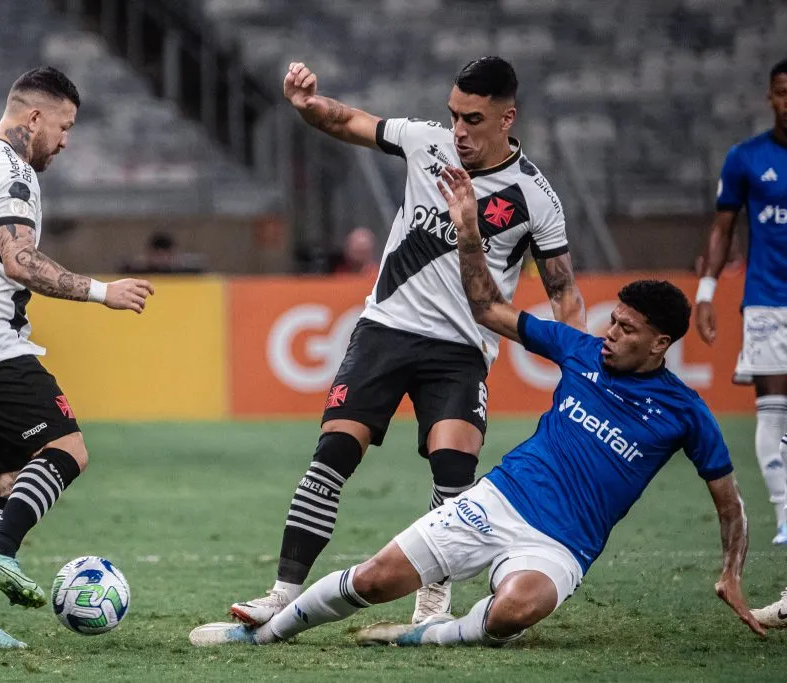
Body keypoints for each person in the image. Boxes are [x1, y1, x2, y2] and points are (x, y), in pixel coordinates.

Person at [189, 165, 765, 648]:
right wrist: (469, 230)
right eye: (612, 319)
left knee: (515, 612)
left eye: (627, 328)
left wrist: (731, 573)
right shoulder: (579, 349)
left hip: (563, 544)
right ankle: (263, 635)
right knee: (372, 577)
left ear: (660, 344)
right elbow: (488, 309)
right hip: (498, 501)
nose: (609, 332)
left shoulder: (686, 412)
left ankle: (423, 636)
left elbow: (730, 503)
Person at [227, 56, 585, 628]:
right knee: (333, 455)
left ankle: (432, 602)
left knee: (453, 471)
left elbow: (565, 292)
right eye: (453, 115)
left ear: (506, 117)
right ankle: (280, 593)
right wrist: (305, 104)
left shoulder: (534, 197)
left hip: (461, 352)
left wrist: (580, 365)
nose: (459, 131)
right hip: (385, 332)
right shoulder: (427, 143)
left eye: (472, 119)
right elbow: (347, 121)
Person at [0, 67, 154, 649]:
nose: (66, 141)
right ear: (34, 118)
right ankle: (1, 558)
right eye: (64, 127)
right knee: (68, 450)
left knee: (7, 483)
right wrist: (101, 292)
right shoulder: (10, 171)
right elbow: (21, 262)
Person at [695, 58, 787, 544]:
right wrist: (706, 292)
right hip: (768, 301)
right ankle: (784, 516)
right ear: (770, 97)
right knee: (773, 409)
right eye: (782, 93)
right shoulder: (746, 158)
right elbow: (722, 229)